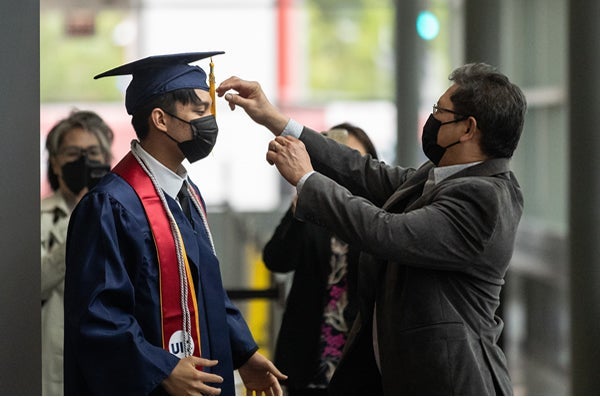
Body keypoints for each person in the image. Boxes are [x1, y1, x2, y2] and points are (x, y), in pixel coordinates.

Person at [217, 62, 527, 395]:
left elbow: (387, 232)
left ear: (468, 128)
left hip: (450, 382)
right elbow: (363, 171)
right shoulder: (441, 176)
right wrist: (276, 120)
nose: (432, 118)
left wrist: (307, 179)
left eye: (440, 110)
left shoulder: (484, 198)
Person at [64, 52, 286, 396]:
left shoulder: (187, 193)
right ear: (160, 119)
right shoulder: (110, 205)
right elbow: (98, 316)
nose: (209, 123)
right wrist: (161, 368)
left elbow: (203, 287)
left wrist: (243, 352)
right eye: (199, 111)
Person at [263, 123, 378, 395]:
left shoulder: (378, 219)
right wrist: (301, 206)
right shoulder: (308, 210)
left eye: (353, 161)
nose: (344, 169)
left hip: (361, 360)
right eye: (335, 160)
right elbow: (277, 259)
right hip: (307, 355)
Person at [41, 109, 113, 396]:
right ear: (56, 163)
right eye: (73, 153)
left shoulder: (123, 214)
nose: (83, 161)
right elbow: (33, 283)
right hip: (54, 360)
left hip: (112, 354)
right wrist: (81, 219)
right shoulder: (37, 218)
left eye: (92, 152)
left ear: (107, 160)